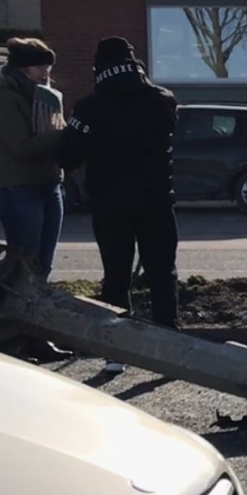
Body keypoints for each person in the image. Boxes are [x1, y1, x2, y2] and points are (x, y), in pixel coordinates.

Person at [59, 37, 181, 328]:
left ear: (98, 68)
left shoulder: (90, 107)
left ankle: (117, 346)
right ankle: (170, 338)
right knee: (163, 273)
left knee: (116, 275)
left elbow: (68, 156)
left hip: (110, 203)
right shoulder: (163, 100)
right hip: (157, 200)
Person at [0, 37, 65, 275]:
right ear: (21, 68)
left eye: (48, 67)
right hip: (19, 189)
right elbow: (22, 147)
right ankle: (13, 310)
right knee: (24, 264)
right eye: (40, 67)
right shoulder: (2, 98)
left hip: (48, 184)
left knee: (43, 264)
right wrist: (64, 133)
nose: (46, 73)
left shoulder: (40, 96)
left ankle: (33, 308)